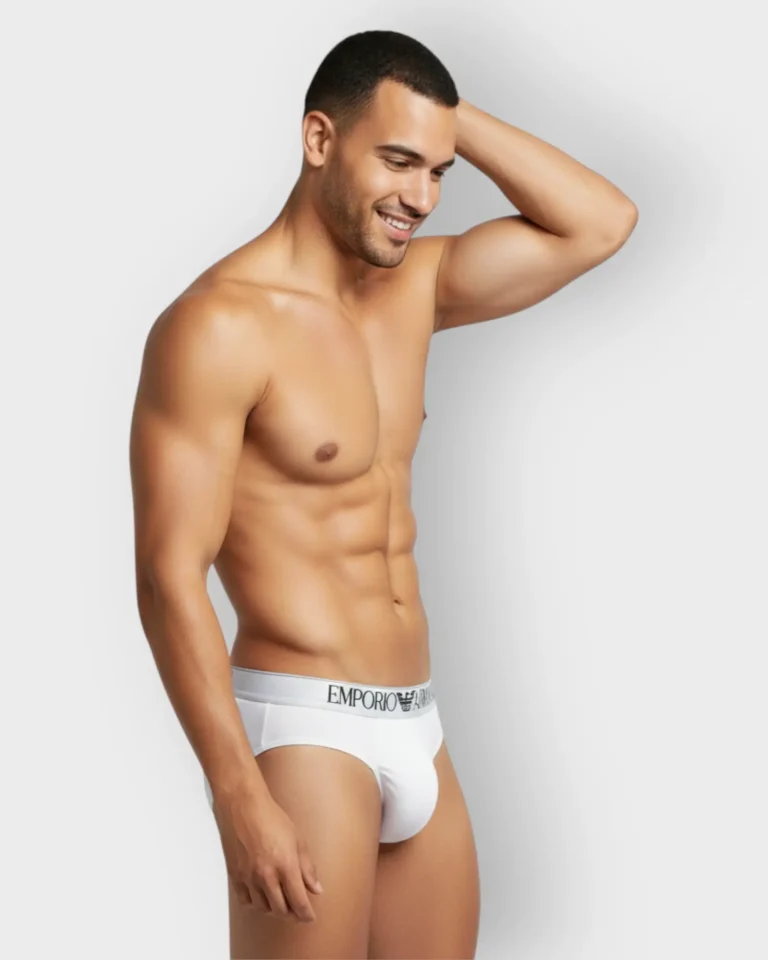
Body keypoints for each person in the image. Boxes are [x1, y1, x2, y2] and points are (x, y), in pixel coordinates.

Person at [129, 28, 637, 960]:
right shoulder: (219, 325)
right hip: (304, 728)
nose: (422, 198)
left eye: (439, 172)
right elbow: (169, 576)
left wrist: (440, 117)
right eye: (397, 161)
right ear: (319, 138)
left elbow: (600, 223)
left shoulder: (417, 290)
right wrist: (237, 793)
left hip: (418, 722)